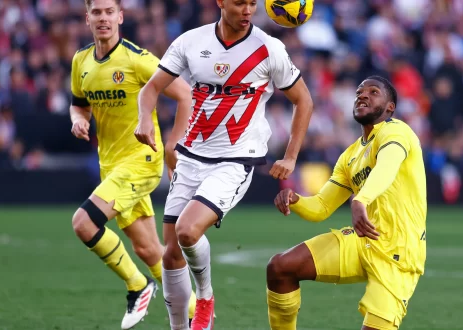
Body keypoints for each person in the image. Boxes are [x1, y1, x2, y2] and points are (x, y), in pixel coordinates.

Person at [134, 0, 314, 329]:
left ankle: (205, 297)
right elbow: (150, 90)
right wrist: (145, 119)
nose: (247, 10)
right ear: (220, 2)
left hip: (235, 160)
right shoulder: (190, 42)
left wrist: (290, 156)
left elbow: (303, 100)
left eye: (251, 3)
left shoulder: (269, 49)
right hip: (191, 157)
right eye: (239, 2)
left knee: (188, 231)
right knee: (171, 254)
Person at [69, 0, 196, 328]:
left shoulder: (138, 60)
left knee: (84, 223)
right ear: (87, 18)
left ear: (120, 17)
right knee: (149, 250)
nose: (103, 18)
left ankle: (138, 286)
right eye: (96, 12)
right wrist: (78, 120)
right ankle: (199, 316)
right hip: (111, 166)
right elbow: (78, 105)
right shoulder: (81, 61)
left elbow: (185, 95)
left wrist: (172, 146)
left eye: (110, 12)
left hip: (142, 161)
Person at [266, 76, 427, 330]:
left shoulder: (397, 131)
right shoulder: (350, 155)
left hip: (398, 251)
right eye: (359, 92)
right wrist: (295, 200)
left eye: (373, 92)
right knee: (280, 267)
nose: (363, 95)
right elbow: (322, 207)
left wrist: (360, 200)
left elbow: (387, 166)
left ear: (390, 107)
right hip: (363, 240)